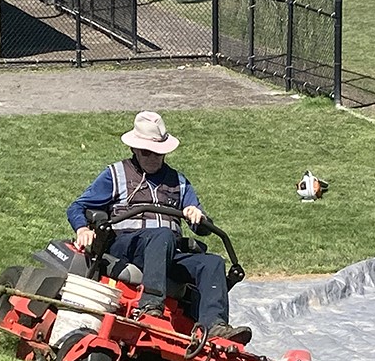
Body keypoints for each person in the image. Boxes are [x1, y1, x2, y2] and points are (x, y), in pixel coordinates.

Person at [67, 111, 252, 345]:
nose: (153, 157)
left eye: (159, 153)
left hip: (167, 251)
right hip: (126, 246)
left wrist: (199, 217)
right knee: (162, 235)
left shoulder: (180, 182)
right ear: (134, 149)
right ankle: (150, 307)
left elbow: (204, 229)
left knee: (212, 262)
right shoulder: (114, 174)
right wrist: (82, 228)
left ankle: (214, 326)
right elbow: (77, 207)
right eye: (147, 152)